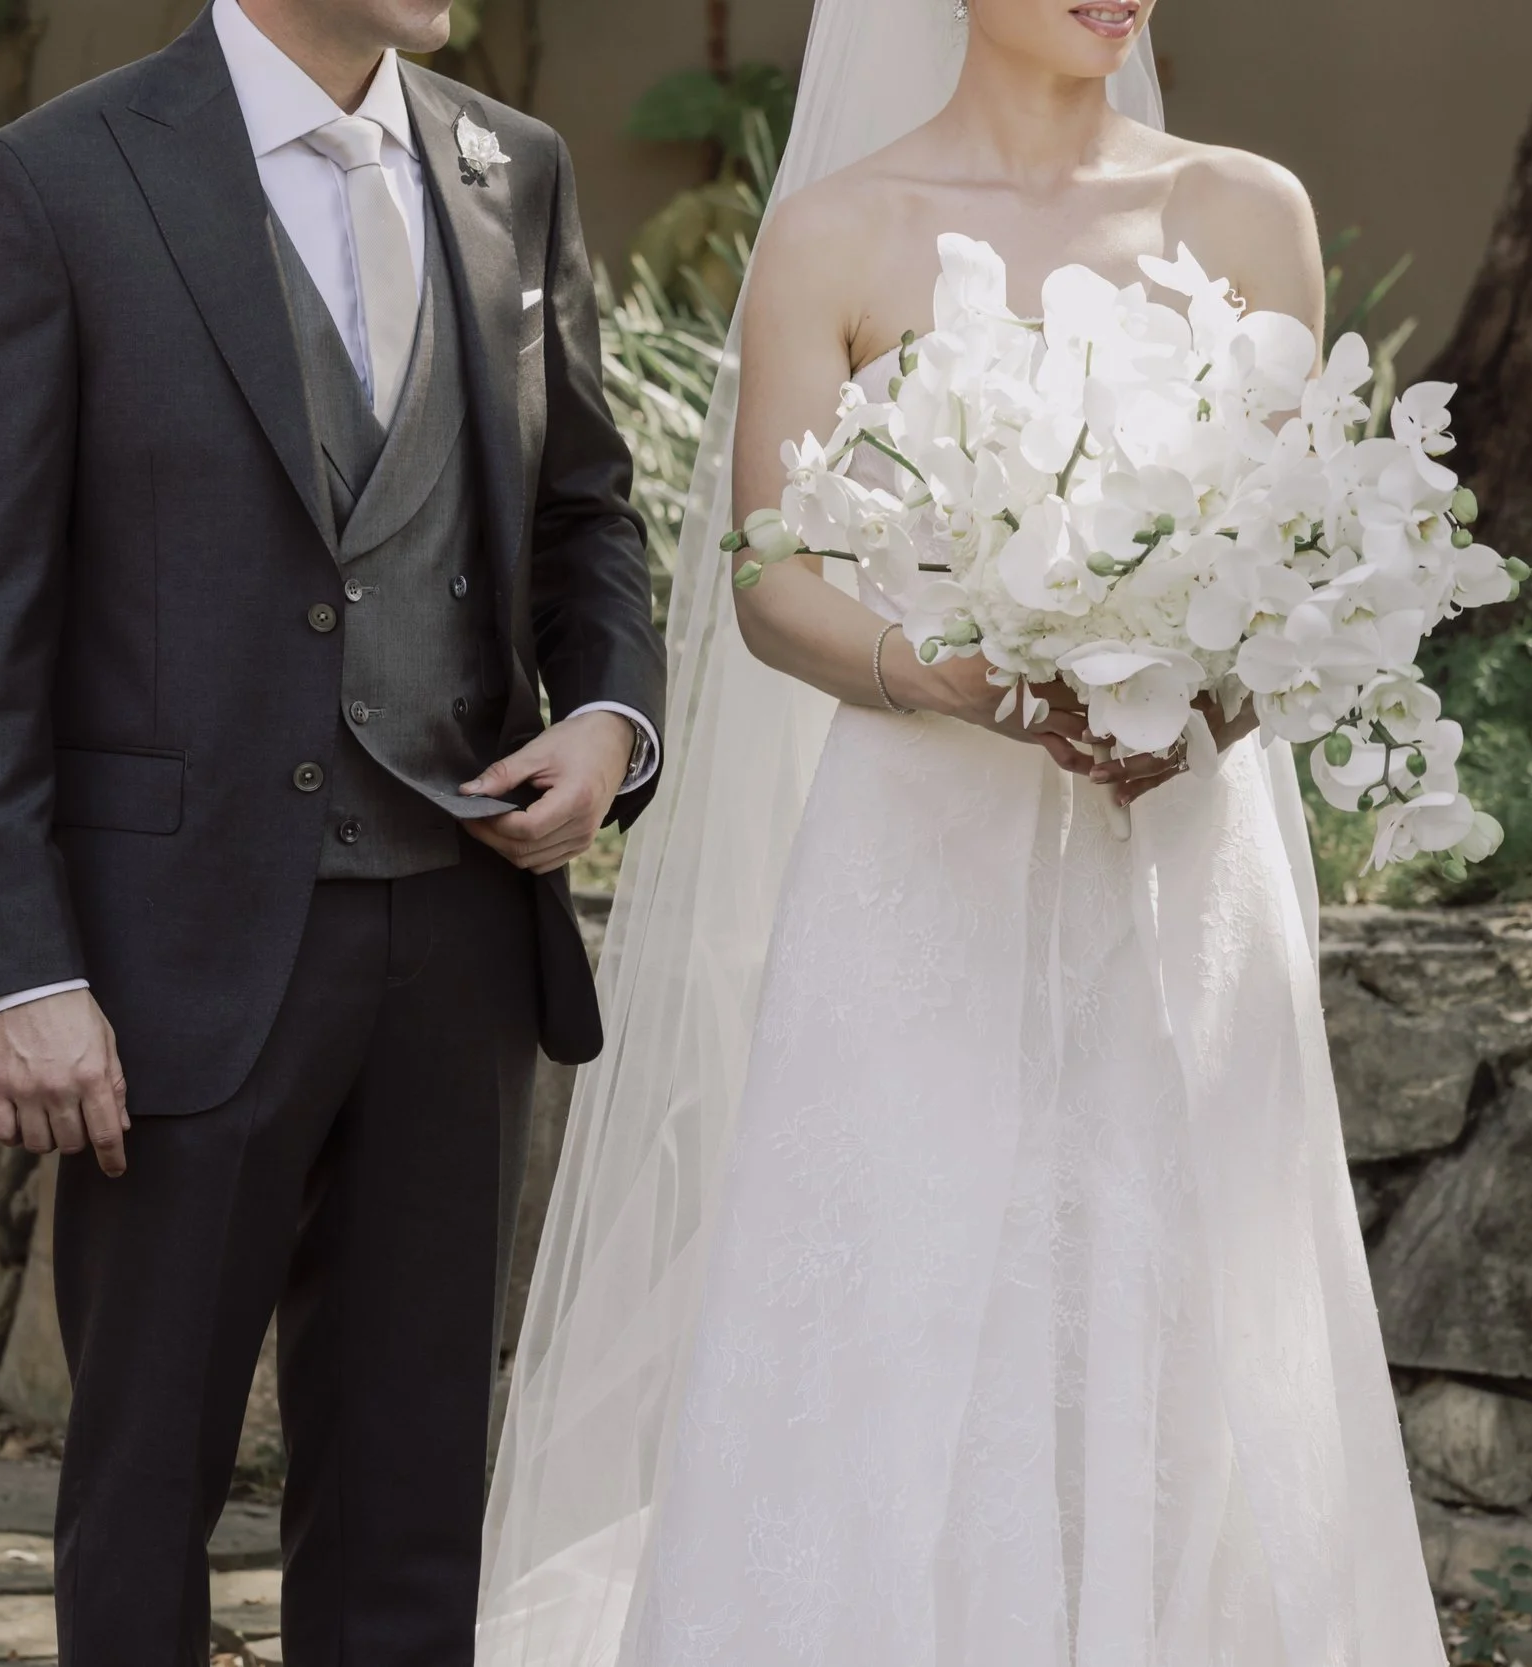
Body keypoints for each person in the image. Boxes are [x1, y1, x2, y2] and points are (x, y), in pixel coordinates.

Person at [476, 0, 1445, 1661]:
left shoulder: (1246, 211)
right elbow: (773, 583)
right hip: (915, 863)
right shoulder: (839, 231)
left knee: (1178, 1296)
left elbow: (1297, 560)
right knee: (903, 1287)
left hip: (1179, 860)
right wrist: (965, 680)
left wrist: (1190, 698)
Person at [0, 0, 664, 1658]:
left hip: (461, 928)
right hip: (173, 949)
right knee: (143, 1489)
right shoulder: (52, 184)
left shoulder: (513, 168)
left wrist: (612, 717)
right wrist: (22, 967)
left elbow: (585, 513)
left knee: (410, 1495)